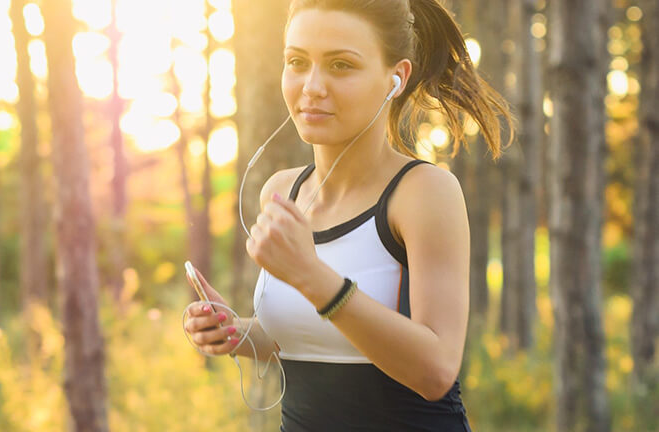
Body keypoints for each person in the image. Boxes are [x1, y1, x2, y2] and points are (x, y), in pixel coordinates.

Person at [183, 0, 513, 430]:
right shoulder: (282, 192)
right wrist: (238, 333)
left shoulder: (424, 193)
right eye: (297, 62)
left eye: (340, 65)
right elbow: (312, 340)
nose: (312, 86)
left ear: (396, 78)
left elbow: (435, 371)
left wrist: (313, 278)